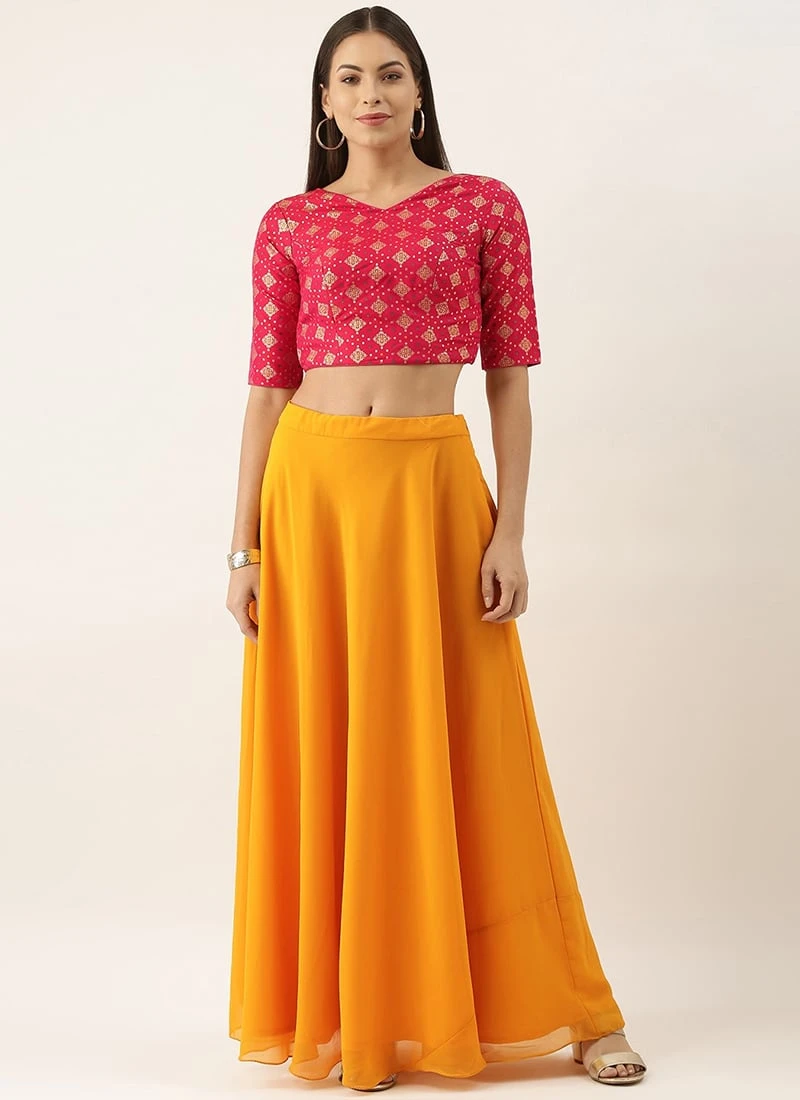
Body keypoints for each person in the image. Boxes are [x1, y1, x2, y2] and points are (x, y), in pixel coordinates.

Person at [226, 6, 648, 1093]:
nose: (369, 93)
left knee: (476, 746)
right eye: (348, 77)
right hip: (313, 500)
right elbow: (266, 389)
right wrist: (241, 547)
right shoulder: (289, 222)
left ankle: (575, 1009)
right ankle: (352, 1022)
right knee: (330, 750)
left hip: (430, 492)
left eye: (389, 74)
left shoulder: (481, 206)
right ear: (324, 102)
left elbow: (509, 378)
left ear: (419, 91)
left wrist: (511, 526)